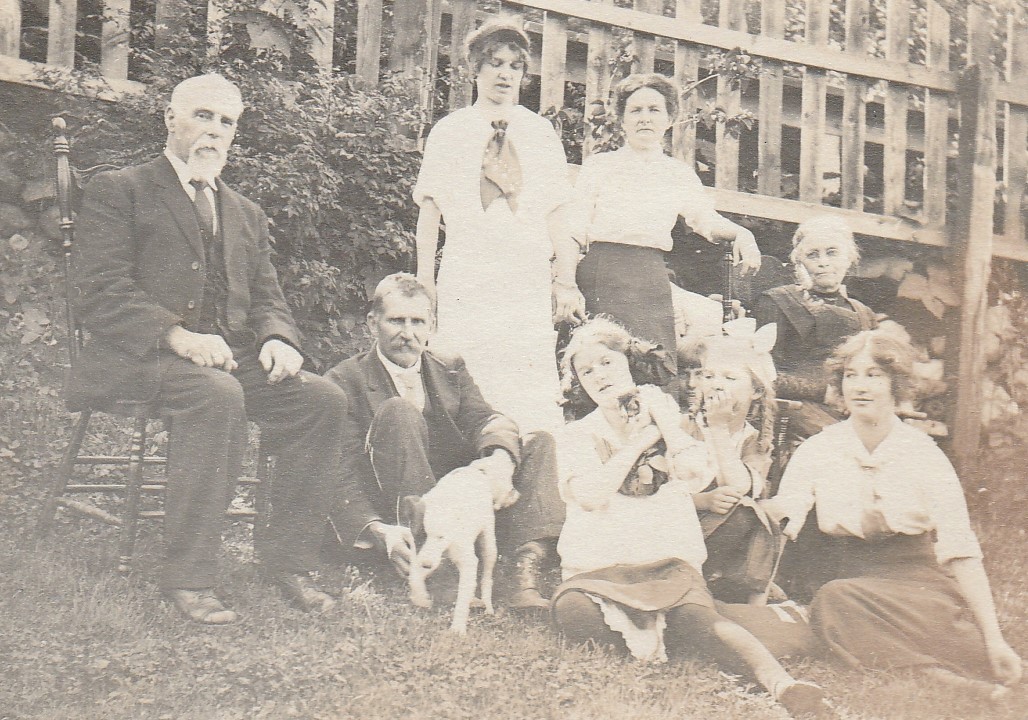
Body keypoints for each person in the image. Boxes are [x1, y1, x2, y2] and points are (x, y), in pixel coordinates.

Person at [69, 74, 347, 624]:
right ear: (170, 119)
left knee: (323, 400)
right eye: (203, 115)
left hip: (223, 357)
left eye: (226, 122)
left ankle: (288, 561)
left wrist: (277, 338)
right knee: (217, 395)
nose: (214, 131)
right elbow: (98, 290)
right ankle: (189, 576)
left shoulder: (244, 212)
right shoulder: (121, 189)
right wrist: (176, 334)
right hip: (136, 356)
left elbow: (268, 296)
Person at [550, 318, 830, 719]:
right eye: (586, 371)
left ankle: (781, 684)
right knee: (574, 611)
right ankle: (665, 638)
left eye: (607, 362)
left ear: (630, 363)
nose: (599, 375)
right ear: (578, 382)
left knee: (698, 616)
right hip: (600, 563)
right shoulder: (576, 435)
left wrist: (664, 426)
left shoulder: (668, 419)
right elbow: (592, 496)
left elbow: (696, 474)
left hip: (665, 560)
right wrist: (641, 443)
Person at [767, 328, 1022, 692]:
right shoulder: (819, 449)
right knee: (834, 600)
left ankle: (962, 652)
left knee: (970, 642)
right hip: (849, 579)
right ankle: (942, 679)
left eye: (874, 375)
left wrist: (994, 638)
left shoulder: (923, 453)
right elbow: (783, 520)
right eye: (850, 375)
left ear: (896, 383)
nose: (859, 387)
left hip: (917, 582)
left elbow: (961, 549)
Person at [324, 274, 565, 609]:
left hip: (456, 500)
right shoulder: (344, 380)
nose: (407, 333)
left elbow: (485, 418)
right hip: (399, 511)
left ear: (432, 326)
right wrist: (378, 531)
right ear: (372, 323)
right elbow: (339, 470)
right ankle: (438, 572)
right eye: (396, 321)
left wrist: (500, 457)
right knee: (398, 411)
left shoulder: (449, 367)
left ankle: (521, 572)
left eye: (417, 322)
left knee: (538, 442)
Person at [413, 20, 578, 434]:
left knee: (524, 374)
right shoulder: (451, 131)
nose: (505, 74)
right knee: (468, 366)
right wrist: (425, 280)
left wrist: (565, 279)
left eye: (514, 66)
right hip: (468, 270)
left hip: (525, 273)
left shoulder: (540, 133)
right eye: (495, 63)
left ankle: (529, 458)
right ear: (475, 68)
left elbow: (557, 213)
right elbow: (430, 212)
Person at [565, 73, 761, 370]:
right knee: (605, 361)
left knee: (654, 366)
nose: (645, 118)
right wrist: (566, 284)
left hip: (650, 278)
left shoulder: (677, 174)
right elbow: (573, 229)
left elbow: (705, 219)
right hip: (602, 276)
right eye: (635, 110)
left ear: (669, 118)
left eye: (654, 110)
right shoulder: (599, 167)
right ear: (622, 119)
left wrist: (743, 234)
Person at [686, 321, 781, 604]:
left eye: (730, 377)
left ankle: (746, 593)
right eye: (708, 375)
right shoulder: (683, 427)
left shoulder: (754, 441)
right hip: (677, 524)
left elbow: (740, 487)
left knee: (755, 512)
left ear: (756, 391)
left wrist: (719, 428)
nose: (716, 384)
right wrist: (702, 501)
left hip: (718, 532)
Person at [755, 215, 876, 436]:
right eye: (812, 255)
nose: (823, 262)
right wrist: (823, 392)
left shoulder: (864, 314)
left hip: (851, 408)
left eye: (832, 252)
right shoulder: (778, 301)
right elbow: (761, 372)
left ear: (849, 258)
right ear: (799, 263)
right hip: (796, 407)